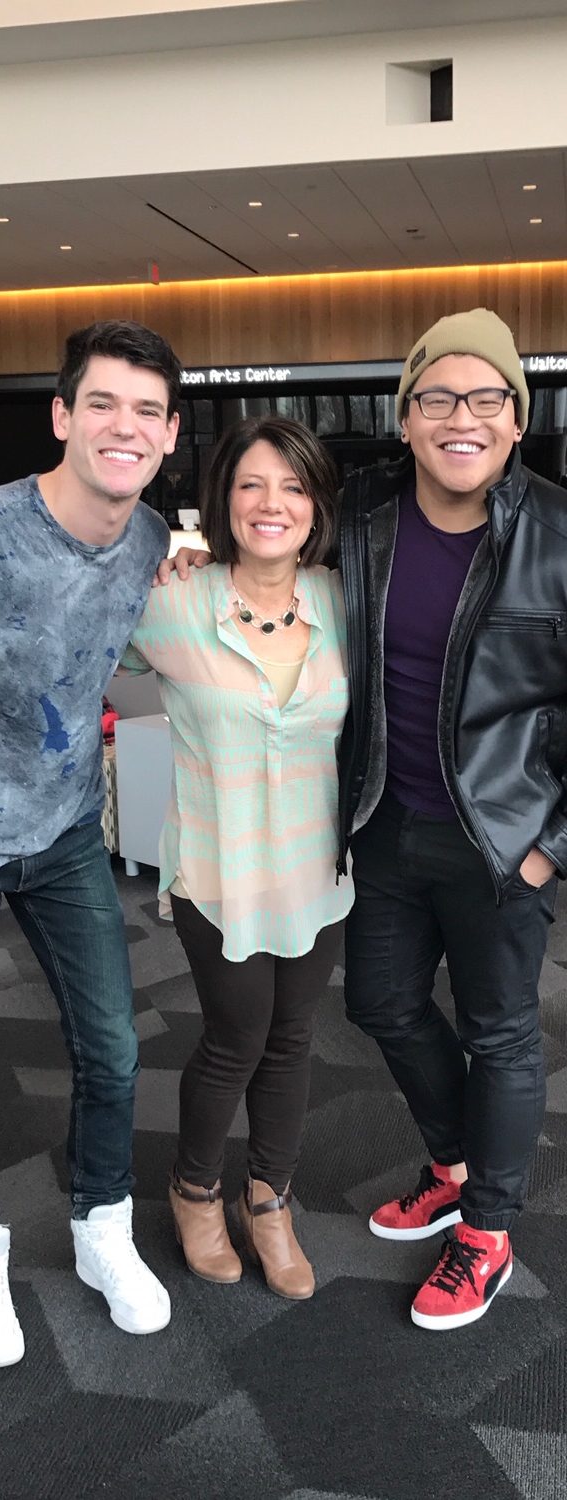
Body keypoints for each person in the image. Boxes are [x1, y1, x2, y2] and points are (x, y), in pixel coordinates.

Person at [337, 306, 567, 1330]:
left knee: (501, 1035)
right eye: (436, 396)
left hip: (502, 843)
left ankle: (488, 1230)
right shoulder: (363, 516)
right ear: (406, 418)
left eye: (485, 397)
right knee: (380, 1003)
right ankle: (455, 1163)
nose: (460, 417)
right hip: (388, 825)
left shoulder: (558, 535)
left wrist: (549, 849)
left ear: (517, 418)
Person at [0, 318, 180, 1367]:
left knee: (114, 1045)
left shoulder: (151, 540)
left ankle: (103, 1227)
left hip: (60, 833)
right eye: (102, 403)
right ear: (62, 416)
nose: (123, 427)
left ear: (170, 433)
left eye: (146, 410)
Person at [120, 415, 353, 1300]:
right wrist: (152, 561)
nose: (271, 503)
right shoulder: (173, 601)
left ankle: (271, 1203)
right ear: (222, 499)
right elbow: (75, 637)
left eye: (293, 486)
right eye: (251, 484)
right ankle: (194, 1191)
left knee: (293, 1039)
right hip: (218, 873)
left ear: (316, 504)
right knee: (237, 1038)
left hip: (317, 874)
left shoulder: (343, 601)